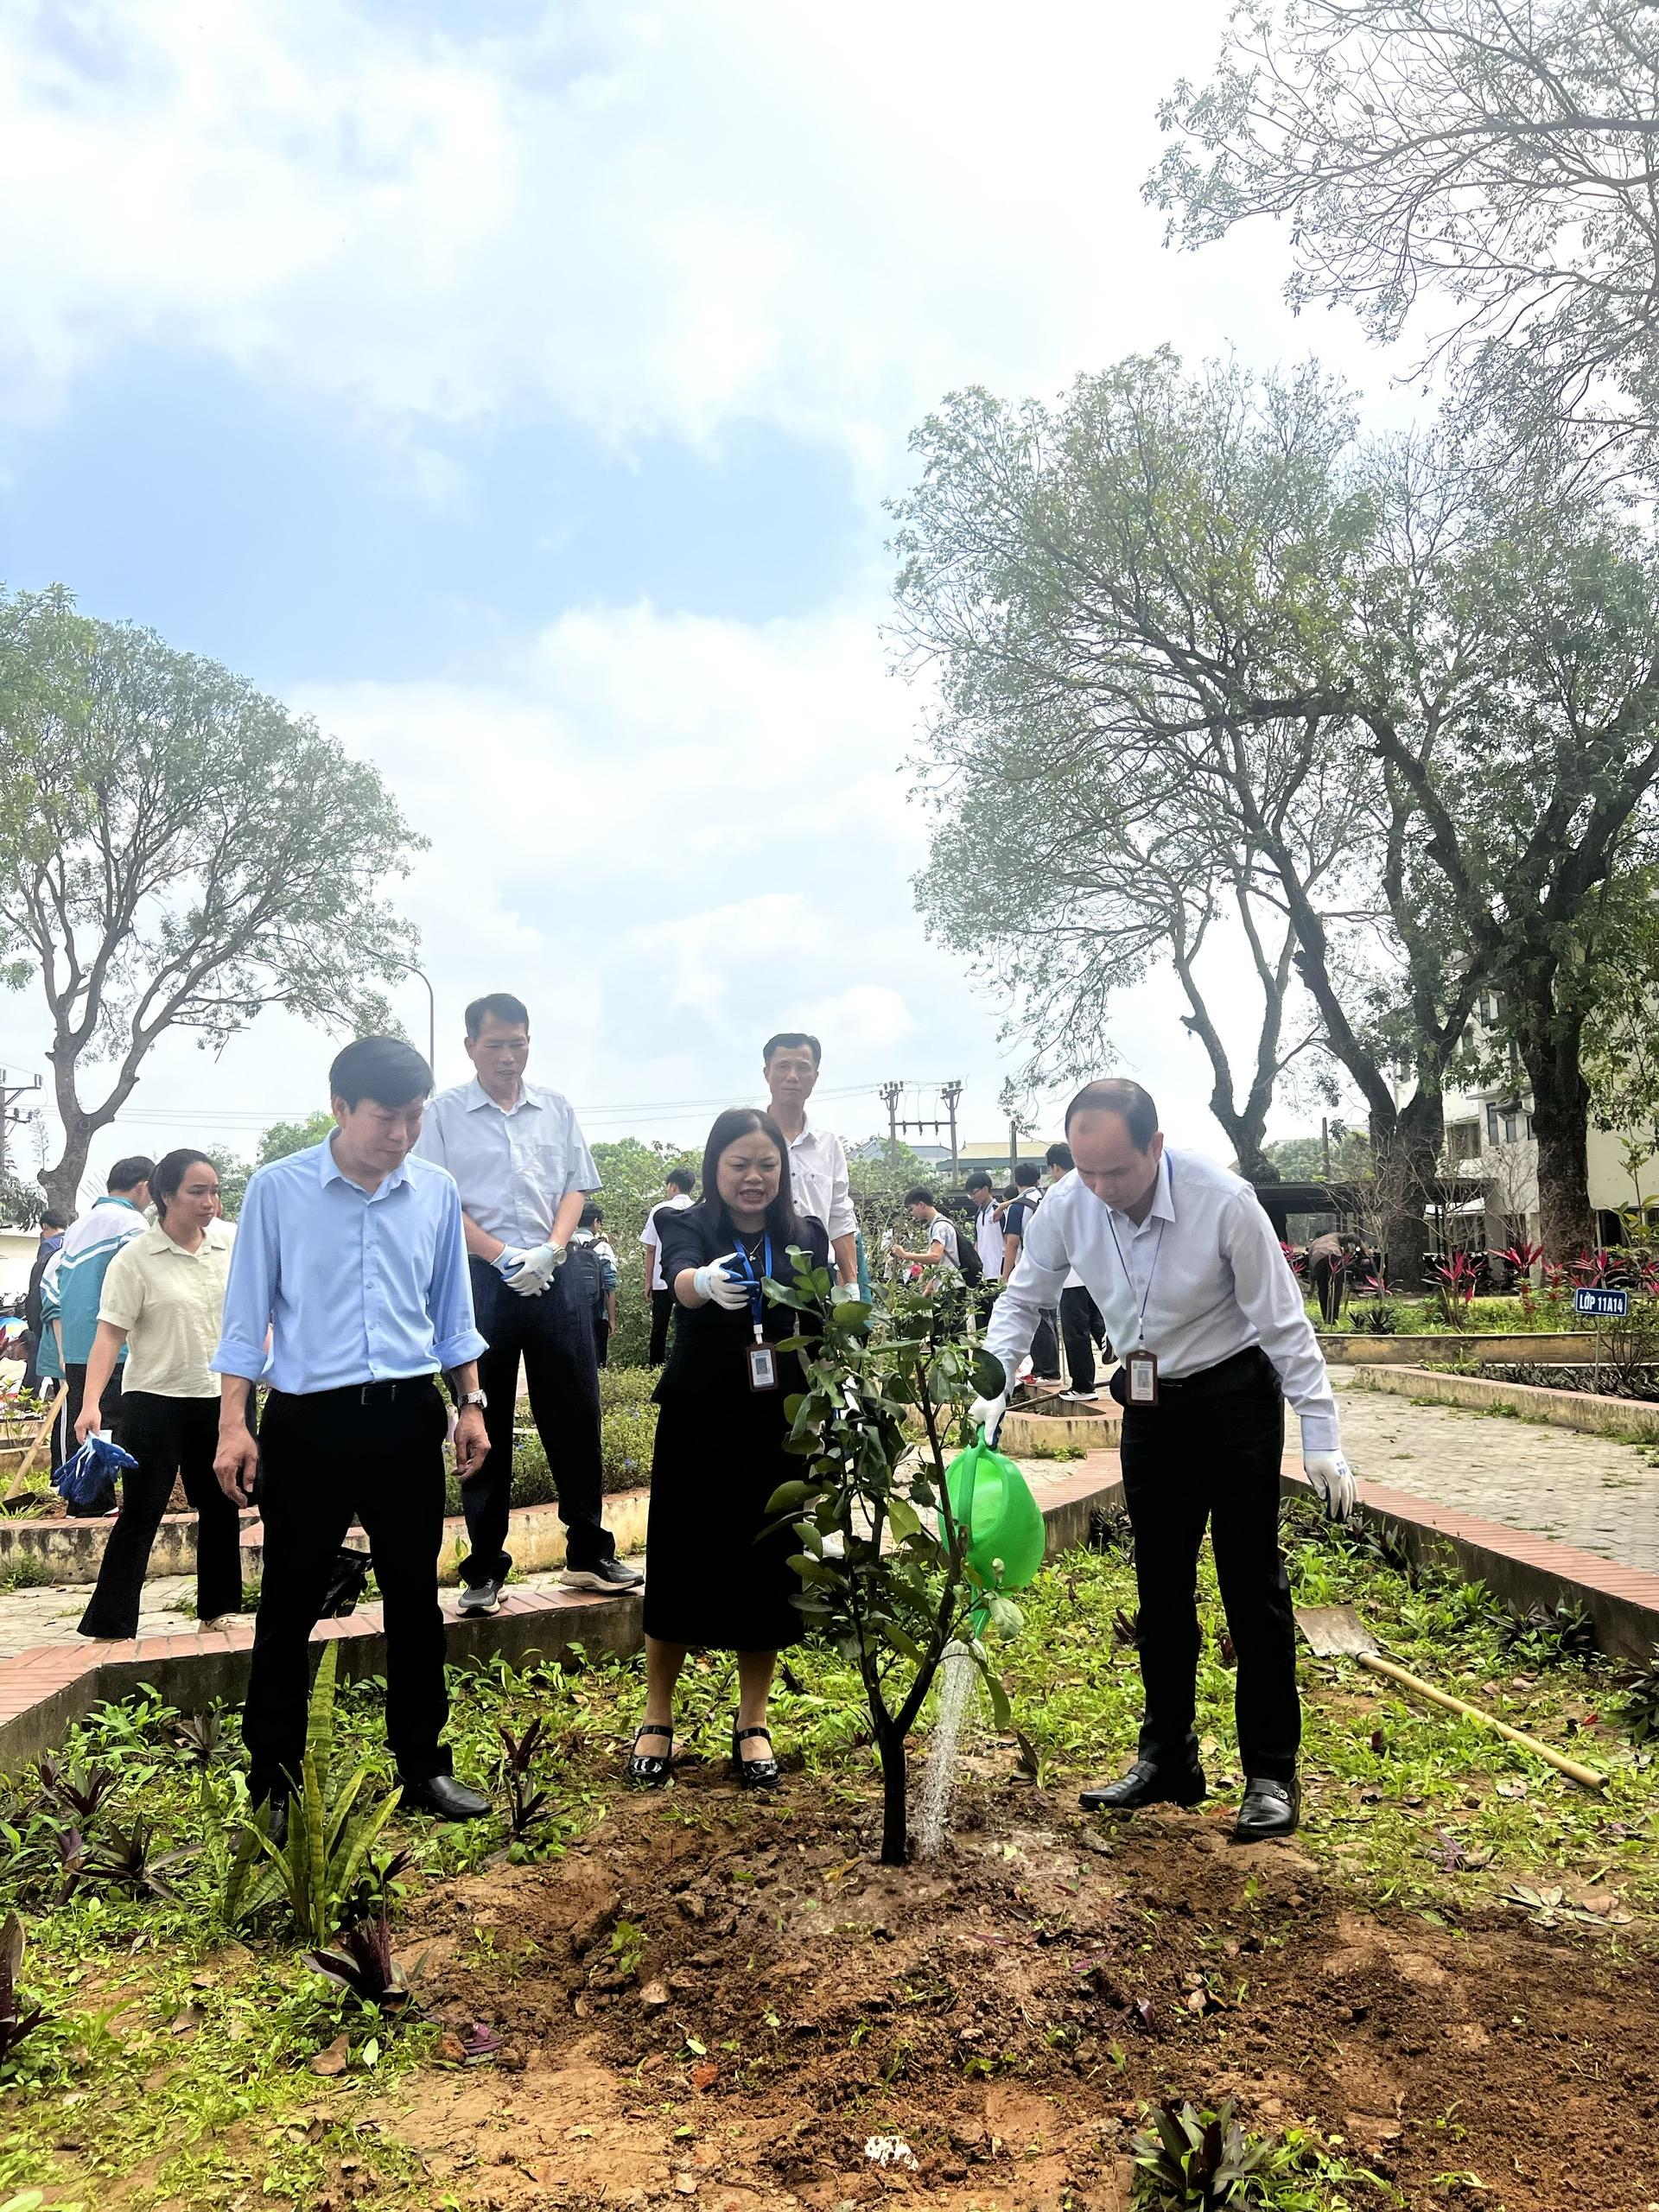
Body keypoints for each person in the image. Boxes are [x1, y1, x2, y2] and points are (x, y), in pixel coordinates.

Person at [975, 1078, 1356, 1843]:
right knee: (1161, 1581)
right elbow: (1023, 1297)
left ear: (1155, 1145)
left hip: (1235, 1395)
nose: (1102, 1189)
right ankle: (1169, 1756)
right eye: (1087, 1171)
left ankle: (1271, 1775)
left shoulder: (1224, 1201)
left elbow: (1284, 1324)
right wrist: (991, 1381)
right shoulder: (1068, 1206)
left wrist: (1321, 1432)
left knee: (1251, 1582)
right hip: (1149, 1403)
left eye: (1116, 1170)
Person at [213, 1035, 493, 1834]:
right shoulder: (279, 1190)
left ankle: (424, 1769)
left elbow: (451, 1315)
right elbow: (246, 1321)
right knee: (289, 1607)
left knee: (417, 1601)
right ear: (339, 1107)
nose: (400, 1135)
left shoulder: (435, 1193)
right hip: (311, 1422)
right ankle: (274, 1784)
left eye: (413, 1118)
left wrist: (468, 1402)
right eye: (385, 1119)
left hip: (408, 1417)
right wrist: (235, 1425)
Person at [415, 992, 642, 1617]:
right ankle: (485, 1568)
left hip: (555, 1274)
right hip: (479, 1278)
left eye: (519, 1043)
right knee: (479, 1418)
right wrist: (499, 1255)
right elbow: (437, 1202)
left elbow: (575, 1185)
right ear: (470, 1048)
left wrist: (551, 1249)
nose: (508, 1057)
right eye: (495, 1046)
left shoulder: (556, 1108)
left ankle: (589, 1553)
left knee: (575, 1413)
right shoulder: (443, 1115)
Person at [629, 1108, 830, 1792]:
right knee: (681, 1558)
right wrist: (703, 1285)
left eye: (766, 1165)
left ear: (783, 1170)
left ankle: (753, 1720)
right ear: (716, 1166)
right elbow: (681, 1276)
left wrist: (835, 1397)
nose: (753, 1177)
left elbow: (820, 1321)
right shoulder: (690, 1223)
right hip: (698, 1415)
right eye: (739, 1164)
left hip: (779, 1423)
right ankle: (658, 1713)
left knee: (767, 1566)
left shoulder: (805, 1235)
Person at [73, 1151, 242, 1641]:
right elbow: (108, 1335)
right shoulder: (135, 1258)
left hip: (221, 1397)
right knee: (142, 1510)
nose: (210, 1202)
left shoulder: (231, 1245)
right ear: (165, 1196)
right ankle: (112, 1620)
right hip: (154, 1400)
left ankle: (218, 1607)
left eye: (214, 1191)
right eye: (196, 1191)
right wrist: (90, 1404)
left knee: (220, 1504)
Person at [47, 1157, 155, 1483]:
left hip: (79, 1345)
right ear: (144, 1187)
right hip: (115, 1345)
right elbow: (141, 1282)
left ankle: (89, 1500)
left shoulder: (78, 1227)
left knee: (88, 1425)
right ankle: (99, 1501)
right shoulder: (132, 1225)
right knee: (117, 1425)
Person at [761, 1033, 858, 1287]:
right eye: (783, 1066)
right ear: (767, 1073)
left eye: (803, 1067)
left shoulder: (829, 1145)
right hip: (761, 1270)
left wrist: (850, 1284)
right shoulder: (749, 1140)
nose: (792, 1076)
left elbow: (840, 1215)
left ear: (815, 1075)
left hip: (819, 1276)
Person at [1046, 1141, 1109, 1402]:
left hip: (1070, 1276)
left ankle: (1083, 1386)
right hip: (1095, 1275)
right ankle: (1110, 1336)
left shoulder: (1059, 1193)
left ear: (1056, 1166)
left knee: (1075, 1334)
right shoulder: (1096, 1187)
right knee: (1094, 1320)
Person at [1001, 1161, 1060, 1383]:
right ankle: (1050, 1368)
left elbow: (1012, 1243)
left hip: (1031, 1267)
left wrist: (1005, 1276)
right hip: (1055, 1266)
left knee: (1037, 1319)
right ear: (1038, 1179)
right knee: (1049, 1317)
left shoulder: (1017, 1208)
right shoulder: (1046, 1199)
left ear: (1016, 1181)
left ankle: (1047, 1371)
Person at [641, 1166, 696, 1364]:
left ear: (673, 1186)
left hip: (661, 1278)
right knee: (688, 1326)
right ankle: (687, 1364)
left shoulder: (660, 1209)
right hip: (690, 1278)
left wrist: (648, 1281)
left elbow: (651, 1249)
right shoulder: (698, 1208)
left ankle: (655, 1366)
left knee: (659, 1326)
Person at [20, 1207, 69, 1400]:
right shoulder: (74, 1241)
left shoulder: (50, 1246)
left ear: (45, 1227)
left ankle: (29, 1398)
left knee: (39, 1354)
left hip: (49, 1309)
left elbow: (41, 1281)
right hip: (70, 1311)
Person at [574, 1202, 619, 1366]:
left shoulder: (566, 1244)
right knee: (597, 1364)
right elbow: (610, 1285)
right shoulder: (603, 1247)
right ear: (595, 1222)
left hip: (568, 1313)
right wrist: (611, 1320)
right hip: (597, 1314)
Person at [966, 1171, 1006, 1281]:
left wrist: (1006, 1273)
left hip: (999, 1273)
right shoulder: (978, 1214)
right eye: (970, 1194)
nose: (972, 1197)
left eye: (974, 1193)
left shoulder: (1000, 1210)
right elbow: (977, 1243)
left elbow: (1011, 1241)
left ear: (985, 1189)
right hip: (983, 1274)